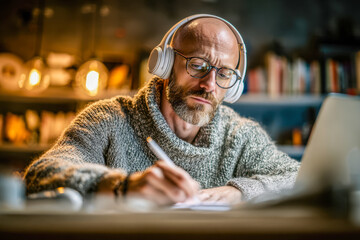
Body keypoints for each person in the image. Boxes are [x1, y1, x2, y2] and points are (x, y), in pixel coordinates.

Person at [24, 14, 300, 206]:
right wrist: (121, 188)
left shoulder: (241, 136)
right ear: (165, 65)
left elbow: (299, 178)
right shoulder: (108, 120)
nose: (209, 85)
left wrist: (238, 192)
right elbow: (40, 174)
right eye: (197, 65)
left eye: (224, 73)